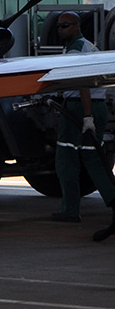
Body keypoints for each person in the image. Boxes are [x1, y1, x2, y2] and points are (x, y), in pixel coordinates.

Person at [50, 12, 115, 241]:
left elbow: (82, 83)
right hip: (96, 107)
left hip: (79, 107)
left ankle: (70, 211)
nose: (60, 29)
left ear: (77, 26)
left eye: (65, 25)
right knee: (94, 159)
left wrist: (86, 116)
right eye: (59, 26)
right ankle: (112, 200)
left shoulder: (77, 48)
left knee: (66, 158)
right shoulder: (89, 46)